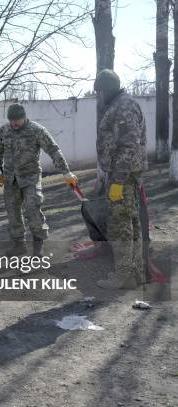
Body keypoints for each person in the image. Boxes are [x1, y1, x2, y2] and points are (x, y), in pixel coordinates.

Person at [0, 103, 78, 256]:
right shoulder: (4, 131)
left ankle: (38, 247)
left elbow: (53, 149)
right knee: (13, 213)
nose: (14, 123)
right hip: (10, 179)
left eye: (17, 120)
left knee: (32, 209)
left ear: (24, 117)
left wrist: (66, 172)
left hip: (30, 178)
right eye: (11, 120)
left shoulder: (36, 130)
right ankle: (19, 245)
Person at [94, 69, 147, 289]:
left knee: (120, 226)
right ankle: (135, 274)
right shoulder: (120, 104)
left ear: (107, 89)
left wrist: (117, 180)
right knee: (131, 222)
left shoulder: (123, 106)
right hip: (125, 175)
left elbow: (129, 145)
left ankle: (123, 276)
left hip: (122, 177)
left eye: (99, 92)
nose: (98, 96)